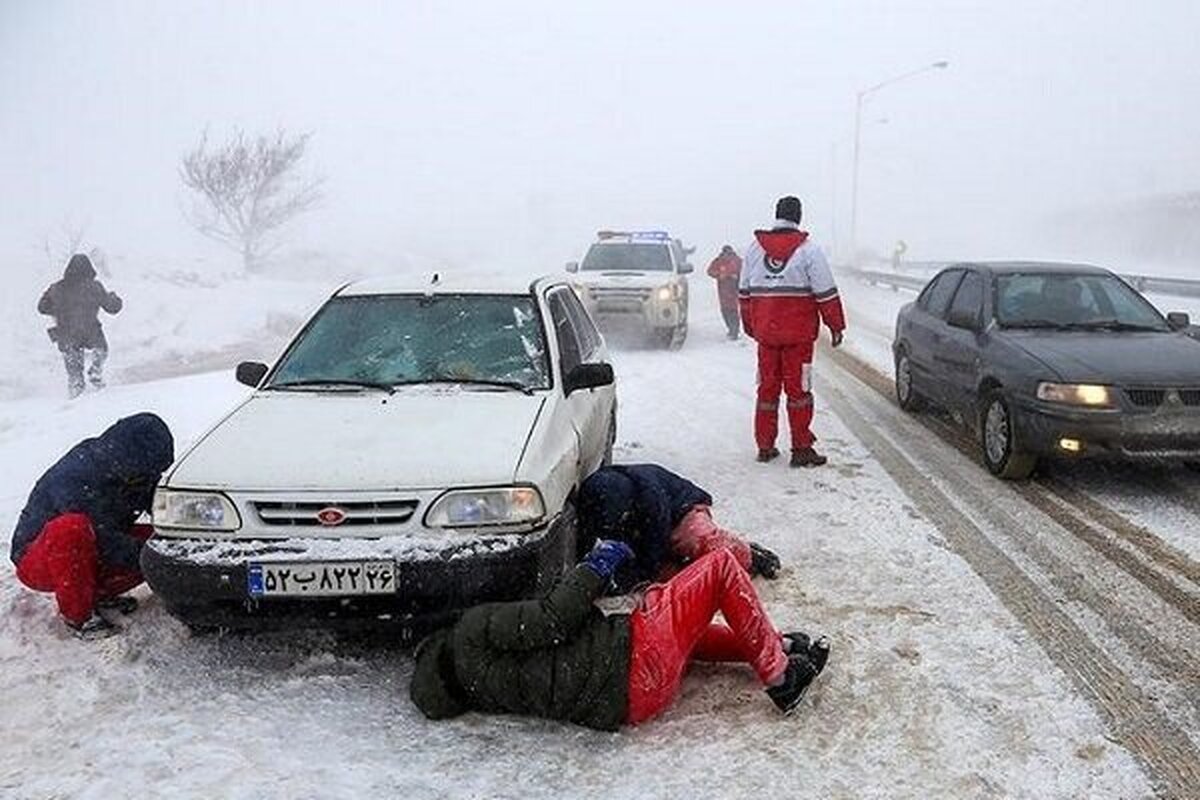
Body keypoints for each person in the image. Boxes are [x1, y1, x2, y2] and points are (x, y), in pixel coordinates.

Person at [410, 542, 830, 729]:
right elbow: (553, 618)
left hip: (630, 701)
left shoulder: (474, 686)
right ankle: (781, 679)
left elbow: (549, 653)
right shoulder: (470, 631)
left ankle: (781, 646)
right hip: (630, 656)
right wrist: (595, 564)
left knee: (677, 622)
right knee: (718, 568)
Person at [10, 413, 174, 639]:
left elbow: (159, 507)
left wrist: (176, 547)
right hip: (38, 560)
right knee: (72, 529)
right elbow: (101, 537)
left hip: (92, 548)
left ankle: (94, 596)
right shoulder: (77, 473)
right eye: (148, 473)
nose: (151, 477)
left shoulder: (138, 469)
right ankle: (78, 616)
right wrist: (150, 559)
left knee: (161, 542)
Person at [739, 196, 846, 468]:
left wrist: (752, 327)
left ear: (776, 215)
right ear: (798, 217)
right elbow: (825, 292)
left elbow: (744, 293)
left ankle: (765, 446)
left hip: (767, 336)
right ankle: (801, 449)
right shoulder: (809, 251)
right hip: (798, 338)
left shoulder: (754, 250)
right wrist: (836, 325)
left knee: (767, 390)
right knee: (799, 392)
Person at [577, 464, 781, 590]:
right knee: (671, 583)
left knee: (699, 541)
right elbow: (586, 537)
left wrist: (641, 572)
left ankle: (749, 556)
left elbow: (655, 541)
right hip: (646, 535)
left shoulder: (649, 495)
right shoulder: (592, 501)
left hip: (682, 512)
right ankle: (701, 571)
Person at [38, 253, 123, 398]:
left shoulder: (57, 288)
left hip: (66, 334)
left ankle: (75, 396)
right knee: (101, 350)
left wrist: (59, 310)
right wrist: (115, 298)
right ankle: (95, 370)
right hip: (91, 332)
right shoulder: (94, 287)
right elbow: (111, 307)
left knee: (74, 373)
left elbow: (42, 307)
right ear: (89, 269)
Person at [707, 245, 743, 339]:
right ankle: (730, 329)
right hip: (722, 289)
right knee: (725, 310)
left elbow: (744, 272)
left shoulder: (737, 261)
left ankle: (734, 331)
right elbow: (710, 271)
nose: (727, 256)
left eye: (729, 254)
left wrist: (736, 277)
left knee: (733, 310)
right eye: (726, 254)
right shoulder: (718, 261)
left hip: (734, 289)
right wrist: (719, 275)